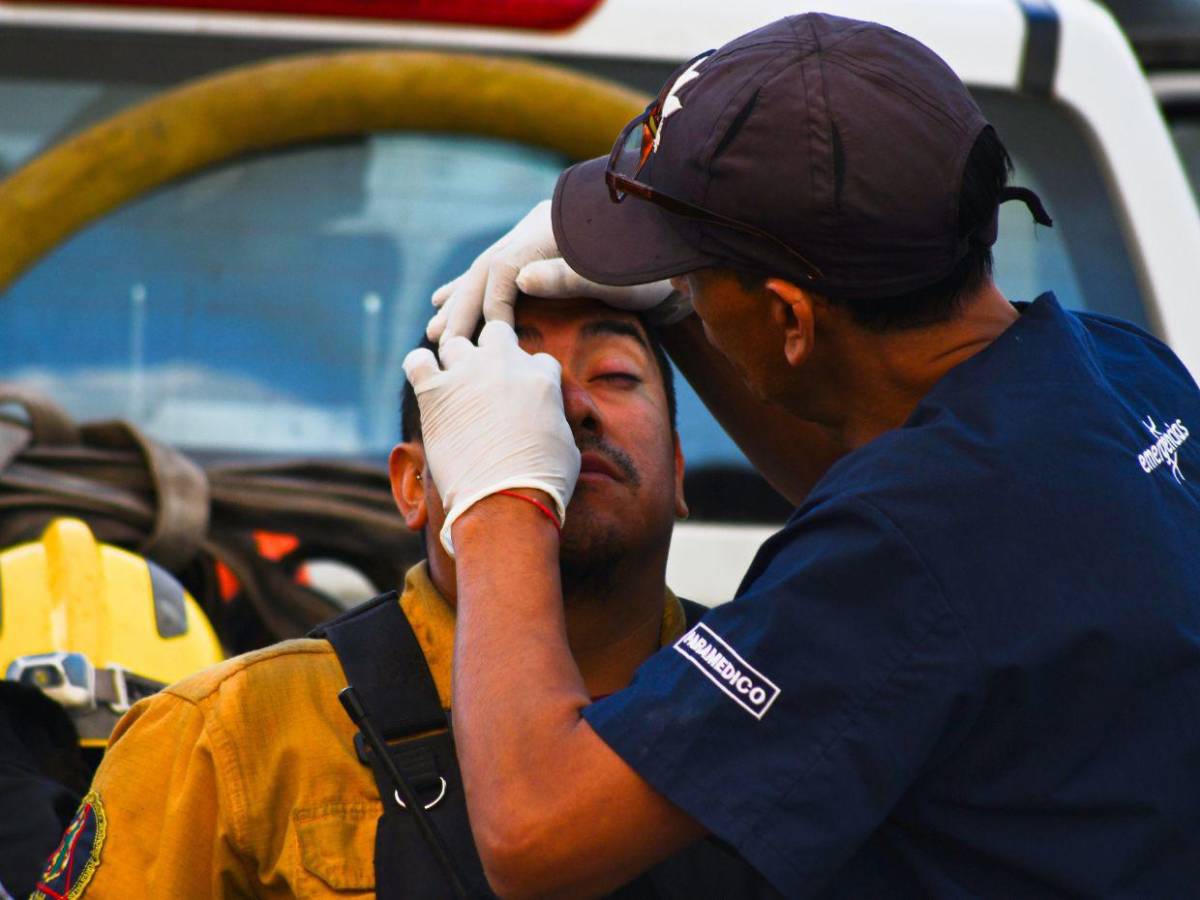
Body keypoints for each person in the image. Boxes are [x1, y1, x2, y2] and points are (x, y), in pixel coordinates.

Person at [406, 13, 1200, 898]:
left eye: (693, 276)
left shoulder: (900, 559)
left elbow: (536, 832)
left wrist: (499, 499)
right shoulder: (1121, 370)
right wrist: (684, 320)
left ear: (790, 319)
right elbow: (940, 540)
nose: (685, 295)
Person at [32, 296, 772, 898]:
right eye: (510, 389)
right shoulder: (223, 738)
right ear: (413, 484)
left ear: (679, 470)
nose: (566, 405)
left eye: (612, 374)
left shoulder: (785, 705)